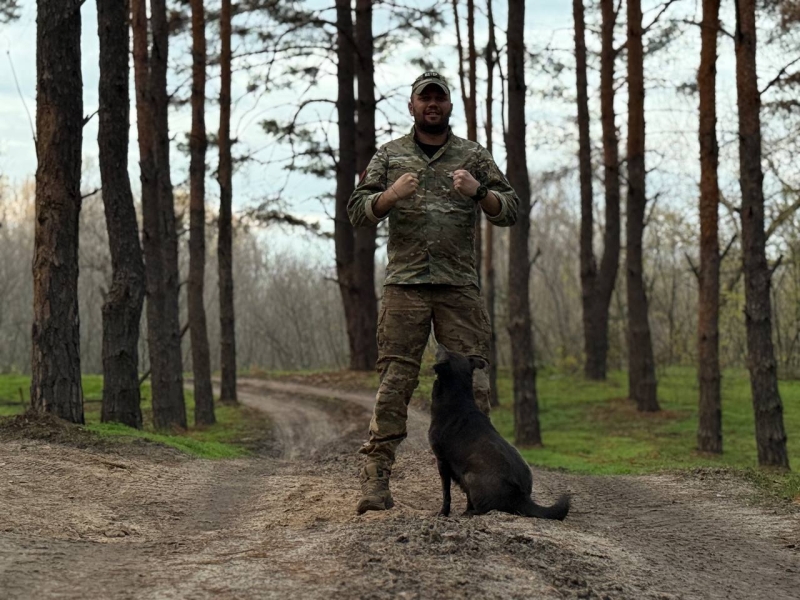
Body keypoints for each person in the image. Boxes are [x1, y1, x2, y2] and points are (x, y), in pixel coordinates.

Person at [347, 71, 520, 514]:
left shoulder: (472, 156)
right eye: (424, 99)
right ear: (411, 106)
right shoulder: (389, 156)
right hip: (405, 287)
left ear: (448, 106)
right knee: (395, 383)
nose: (432, 105)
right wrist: (388, 196)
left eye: (439, 99)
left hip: (458, 288)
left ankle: (482, 483)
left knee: (473, 388)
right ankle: (376, 483)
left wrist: (478, 191)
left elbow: (510, 210)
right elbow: (357, 211)